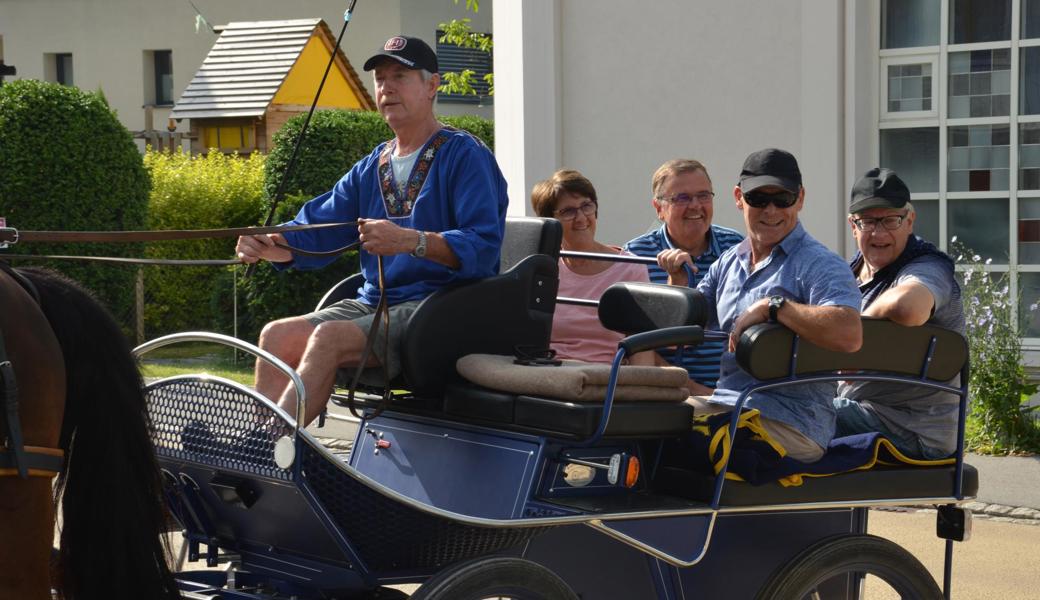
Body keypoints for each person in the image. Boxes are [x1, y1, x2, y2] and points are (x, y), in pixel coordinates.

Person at [235, 35, 508, 426]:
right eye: (380, 78)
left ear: (432, 85)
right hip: (374, 305)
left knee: (328, 337)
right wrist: (269, 243)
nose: (387, 87)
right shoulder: (370, 167)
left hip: (440, 309)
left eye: (400, 76)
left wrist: (411, 241)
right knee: (276, 335)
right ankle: (258, 445)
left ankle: (269, 444)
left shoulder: (465, 155)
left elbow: (483, 247)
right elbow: (317, 231)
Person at [692, 148, 862, 462]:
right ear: (739, 198)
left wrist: (775, 307)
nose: (771, 210)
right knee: (645, 419)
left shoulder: (820, 264)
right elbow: (688, 321)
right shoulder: (729, 262)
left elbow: (849, 333)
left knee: (677, 431)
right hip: (730, 405)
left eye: (782, 198)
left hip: (793, 423)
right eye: (758, 198)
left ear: (800, 199)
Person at [834, 168, 965, 460]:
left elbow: (907, 306)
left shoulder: (929, 266)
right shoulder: (846, 274)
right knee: (773, 406)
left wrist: (855, 336)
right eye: (868, 221)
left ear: (910, 221)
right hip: (862, 413)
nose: (879, 233)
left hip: (912, 430)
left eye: (891, 220)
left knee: (791, 415)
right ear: (853, 225)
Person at [624, 160, 743, 393]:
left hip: (735, 389)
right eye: (682, 198)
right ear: (659, 208)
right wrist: (696, 391)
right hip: (670, 393)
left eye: (703, 196)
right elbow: (639, 347)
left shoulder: (735, 247)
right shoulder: (636, 255)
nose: (695, 206)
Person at [530, 169, 654, 365]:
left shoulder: (630, 268)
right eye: (568, 211)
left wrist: (642, 381)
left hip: (605, 375)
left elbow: (642, 345)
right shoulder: (543, 267)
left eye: (586, 206)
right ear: (550, 221)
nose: (581, 218)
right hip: (550, 370)